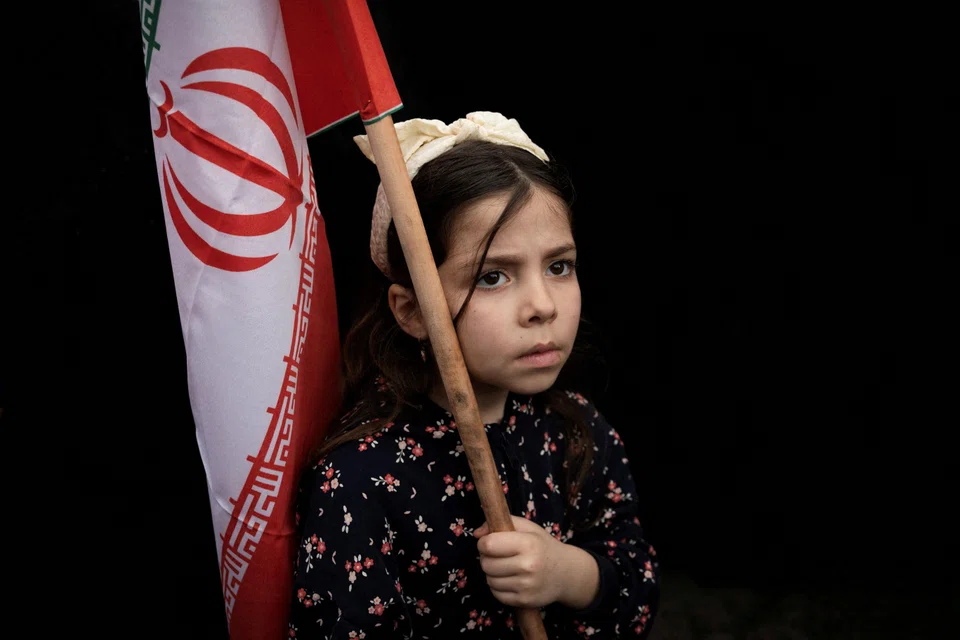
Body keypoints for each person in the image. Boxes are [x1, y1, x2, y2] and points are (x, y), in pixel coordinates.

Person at [288, 112, 659, 639]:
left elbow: (640, 593)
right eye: (493, 276)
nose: (541, 306)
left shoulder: (574, 429)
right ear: (413, 311)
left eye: (559, 266)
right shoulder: (361, 478)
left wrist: (568, 573)